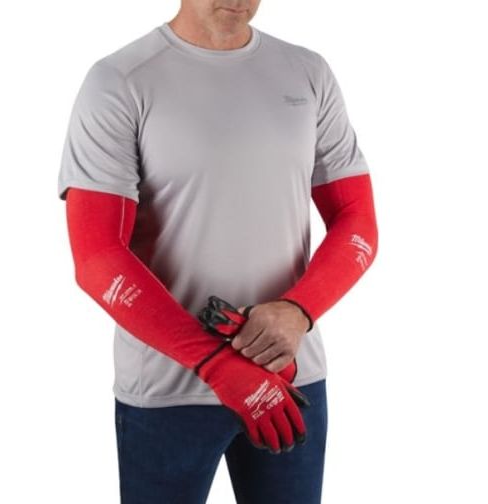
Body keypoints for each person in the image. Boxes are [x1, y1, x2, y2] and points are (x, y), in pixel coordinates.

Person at [57, 1, 378, 502]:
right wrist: (215, 364)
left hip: (290, 377)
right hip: (169, 388)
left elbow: (357, 219)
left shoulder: (307, 72)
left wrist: (298, 311)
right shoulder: (120, 80)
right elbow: (97, 256)